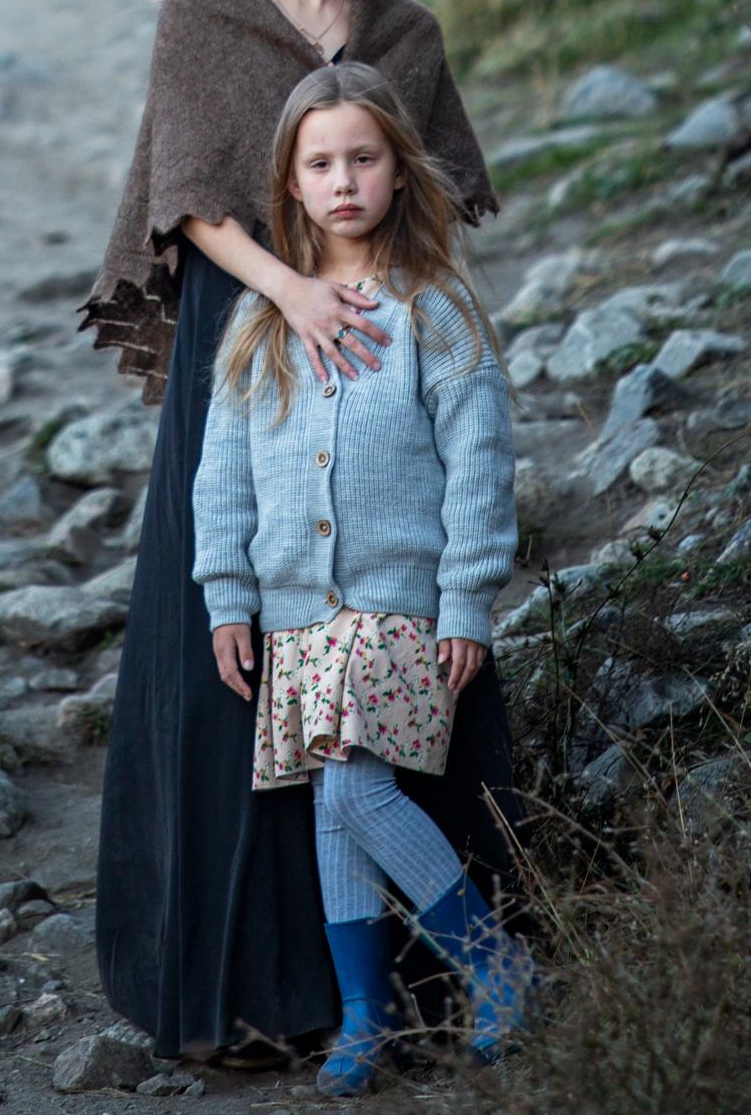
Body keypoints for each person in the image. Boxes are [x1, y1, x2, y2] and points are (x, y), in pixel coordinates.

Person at [80, 0, 514, 1062]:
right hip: (253, 335)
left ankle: (436, 984)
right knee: (245, 662)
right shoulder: (202, 17)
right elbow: (187, 200)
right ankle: (247, 987)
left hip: (384, 342)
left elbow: (433, 209)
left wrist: (413, 343)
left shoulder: (407, 33)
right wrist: (293, 296)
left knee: (395, 632)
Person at [193, 59, 537, 1095]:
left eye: (363, 158)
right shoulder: (259, 326)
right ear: (291, 185)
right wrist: (226, 596)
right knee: (332, 807)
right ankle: (365, 1013)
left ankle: (494, 961)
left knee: (353, 783)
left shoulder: (440, 314)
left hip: (397, 606)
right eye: (321, 164)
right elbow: (220, 478)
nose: (343, 181)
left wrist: (468, 599)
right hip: (294, 612)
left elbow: (480, 469)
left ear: (398, 169)